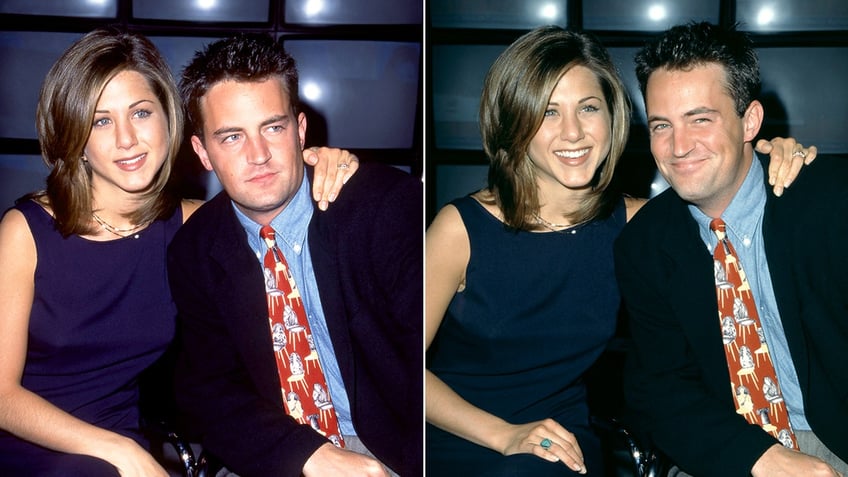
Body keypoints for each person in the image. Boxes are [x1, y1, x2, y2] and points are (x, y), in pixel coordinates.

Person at [425, 25, 815, 477]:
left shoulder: (638, 226)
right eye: (549, 112)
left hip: (559, 440)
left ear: (613, 116)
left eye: (588, 108)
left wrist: (773, 154)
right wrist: (502, 434)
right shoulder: (462, 228)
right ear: (516, 123)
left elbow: (728, 193)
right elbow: (399, 367)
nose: (573, 132)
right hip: (457, 434)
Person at [0, 28, 357, 476]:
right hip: (34, 444)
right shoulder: (26, 231)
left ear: (168, 119)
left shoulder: (193, 226)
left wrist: (328, 163)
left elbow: (272, 196)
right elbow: (2, 396)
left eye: (141, 112)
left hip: (119, 446)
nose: (127, 139)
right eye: (101, 121)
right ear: (76, 137)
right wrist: (120, 452)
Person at [167, 33, 422, 477]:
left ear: (300, 131)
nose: (259, 155)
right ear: (203, 152)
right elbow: (209, 391)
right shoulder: (196, 249)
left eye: (273, 127)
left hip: (392, 450)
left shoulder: (386, 208)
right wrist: (307, 454)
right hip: (279, 453)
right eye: (231, 137)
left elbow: (427, 361)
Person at [614, 21, 848, 477]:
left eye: (701, 119)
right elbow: (661, 389)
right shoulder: (644, 244)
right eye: (662, 125)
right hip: (729, 446)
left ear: (751, 121)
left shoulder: (830, 202)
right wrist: (762, 458)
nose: (679, 147)